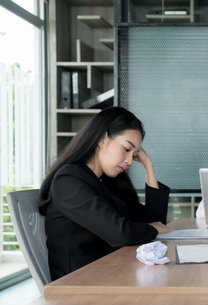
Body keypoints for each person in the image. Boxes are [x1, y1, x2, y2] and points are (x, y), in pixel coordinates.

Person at [38, 107, 172, 280]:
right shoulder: (69, 180)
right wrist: (153, 228)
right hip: (80, 286)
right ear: (102, 139)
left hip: (110, 273)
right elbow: (121, 233)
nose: (130, 161)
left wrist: (148, 165)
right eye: (126, 149)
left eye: (135, 154)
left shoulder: (108, 181)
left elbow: (155, 221)